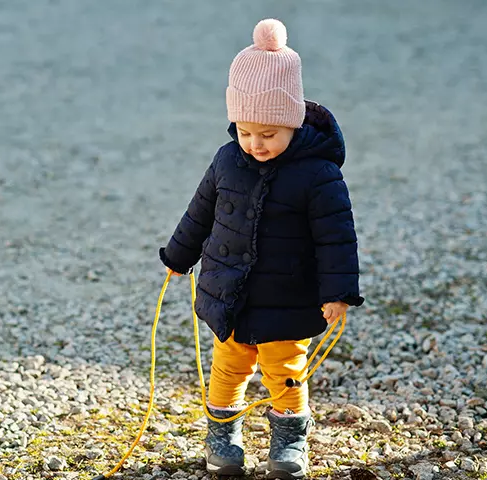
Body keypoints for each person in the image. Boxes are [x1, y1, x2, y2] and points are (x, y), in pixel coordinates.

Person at [158, 18, 364, 479]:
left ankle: (289, 442)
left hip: (290, 296)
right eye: (246, 131)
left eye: (268, 134)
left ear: (291, 122)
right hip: (229, 290)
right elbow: (200, 212)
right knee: (228, 367)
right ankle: (222, 437)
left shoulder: (319, 174)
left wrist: (338, 291)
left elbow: (336, 235)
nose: (255, 144)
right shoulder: (228, 159)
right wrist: (178, 257)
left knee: (285, 369)